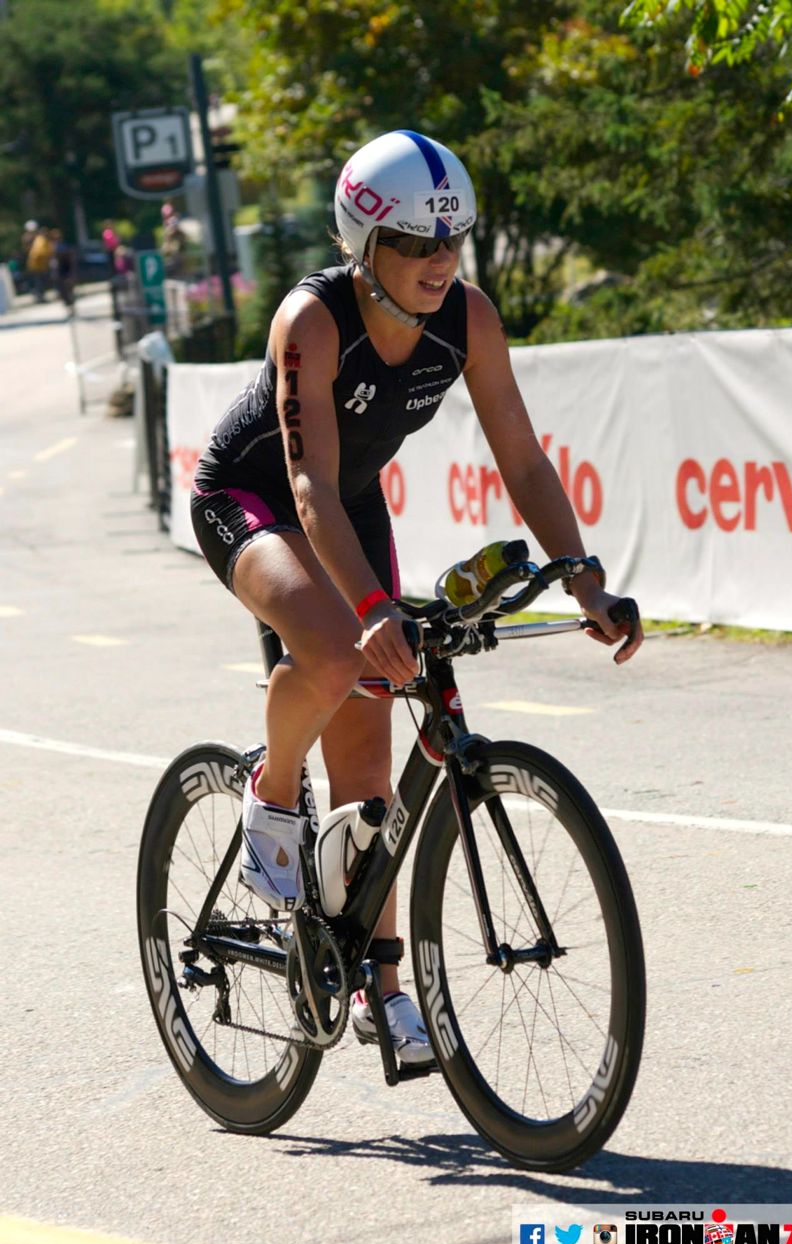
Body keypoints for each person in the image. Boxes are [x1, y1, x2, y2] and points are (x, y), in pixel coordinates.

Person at [191, 129, 643, 1065]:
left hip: (350, 508)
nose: (441, 261)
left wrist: (585, 577)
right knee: (333, 650)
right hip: (253, 496)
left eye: (453, 240)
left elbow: (520, 456)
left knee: (370, 777)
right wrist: (368, 610)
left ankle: (382, 986)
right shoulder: (311, 321)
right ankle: (270, 795)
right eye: (416, 242)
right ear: (364, 243)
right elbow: (305, 488)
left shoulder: (467, 317)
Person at [26, 225, 53, 302]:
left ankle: (39, 296)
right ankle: (40, 297)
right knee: (40, 282)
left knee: (39, 281)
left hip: (36, 264)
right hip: (38, 265)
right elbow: (39, 253)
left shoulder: (38, 239)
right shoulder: (41, 240)